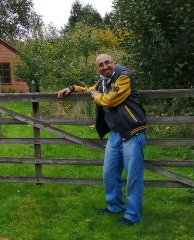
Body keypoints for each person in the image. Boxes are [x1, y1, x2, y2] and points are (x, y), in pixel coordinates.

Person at [57, 54, 147, 225]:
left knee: (133, 177)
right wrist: (72, 88)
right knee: (109, 173)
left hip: (133, 132)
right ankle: (115, 206)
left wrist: (96, 96)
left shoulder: (123, 77)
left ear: (113, 63)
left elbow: (109, 100)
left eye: (107, 63)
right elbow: (90, 89)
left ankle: (133, 215)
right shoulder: (103, 82)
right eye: (100, 65)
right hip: (116, 134)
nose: (105, 66)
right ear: (97, 69)